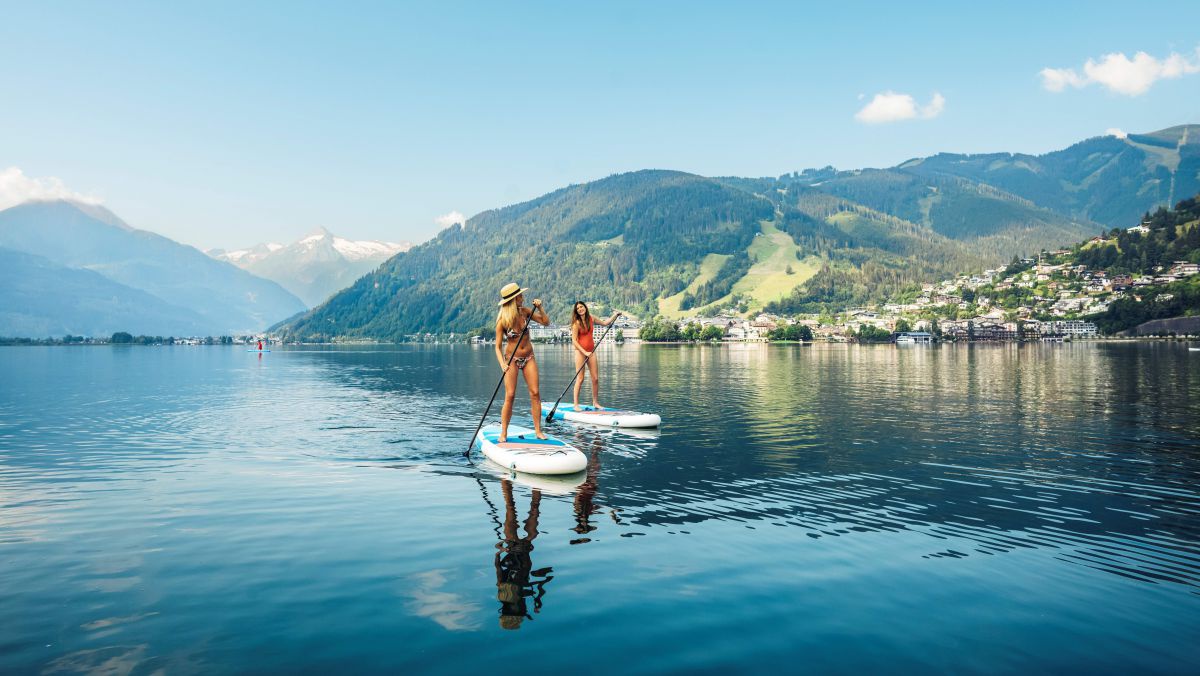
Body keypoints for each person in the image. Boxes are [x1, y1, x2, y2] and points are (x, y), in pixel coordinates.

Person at [495, 283, 550, 441]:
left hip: (529, 357)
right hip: (511, 360)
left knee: (535, 393)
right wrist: (502, 364)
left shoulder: (526, 312)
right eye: (520, 296)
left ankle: (538, 431)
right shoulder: (502, 322)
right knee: (510, 395)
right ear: (513, 300)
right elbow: (497, 347)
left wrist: (540, 308)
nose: (523, 298)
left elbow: (546, 322)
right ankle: (503, 433)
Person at [569, 301, 620, 410]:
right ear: (576, 311)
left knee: (595, 378)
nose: (580, 309)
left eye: (581, 307)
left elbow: (605, 323)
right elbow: (574, 341)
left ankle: (595, 403)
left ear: (585, 307)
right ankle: (576, 405)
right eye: (577, 308)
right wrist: (584, 352)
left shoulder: (592, 318)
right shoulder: (576, 323)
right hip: (580, 352)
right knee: (580, 378)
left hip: (591, 351)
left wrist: (615, 315)